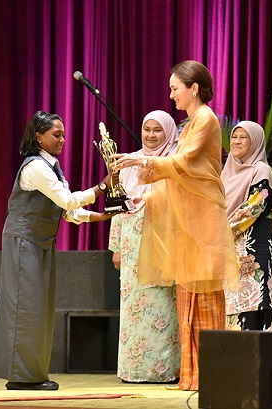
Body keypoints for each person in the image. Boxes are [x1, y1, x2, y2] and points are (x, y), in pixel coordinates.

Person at [111, 60, 241, 391]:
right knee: (188, 297)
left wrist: (142, 160)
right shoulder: (193, 122)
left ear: (193, 88)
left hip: (201, 220)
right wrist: (145, 194)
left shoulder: (205, 119)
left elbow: (183, 164)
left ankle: (211, 374)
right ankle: (193, 374)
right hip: (189, 220)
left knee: (205, 296)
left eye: (174, 88)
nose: (171, 95)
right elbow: (177, 175)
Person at [0, 110, 114, 391]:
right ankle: (22, 377)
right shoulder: (35, 167)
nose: (62, 139)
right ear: (39, 137)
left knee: (38, 309)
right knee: (25, 308)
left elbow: (68, 211)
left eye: (64, 135)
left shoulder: (52, 166)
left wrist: (99, 217)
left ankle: (32, 373)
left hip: (40, 243)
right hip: (24, 241)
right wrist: (102, 186)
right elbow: (67, 200)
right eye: (57, 135)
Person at [108, 110, 181, 383]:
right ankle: (134, 370)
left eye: (157, 130)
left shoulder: (173, 163)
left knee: (162, 305)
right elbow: (118, 204)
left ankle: (163, 371)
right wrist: (116, 246)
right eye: (147, 129)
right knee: (133, 307)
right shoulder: (129, 162)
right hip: (131, 246)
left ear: (169, 133)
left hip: (162, 243)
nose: (151, 135)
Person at [221, 121, 272, 331]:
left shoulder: (261, 171)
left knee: (256, 306)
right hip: (230, 250)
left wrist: (219, 232)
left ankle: (258, 354)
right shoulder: (226, 173)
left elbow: (253, 207)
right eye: (234, 136)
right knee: (234, 307)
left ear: (255, 142)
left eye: (243, 137)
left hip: (255, 252)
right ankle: (237, 353)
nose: (236, 141)